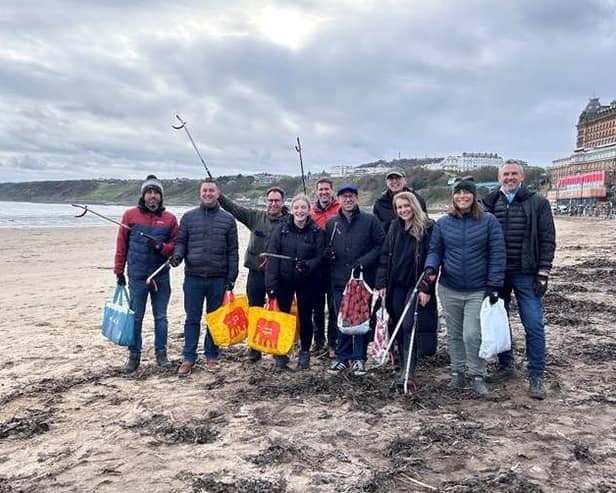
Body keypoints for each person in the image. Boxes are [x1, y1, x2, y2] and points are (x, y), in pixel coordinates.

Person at [481, 160, 556, 399]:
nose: (510, 178)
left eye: (514, 174)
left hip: (527, 272)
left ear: (521, 177)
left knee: (533, 323)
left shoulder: (538, 203)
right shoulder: (490, 203)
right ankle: (506, 364)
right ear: (499, 177)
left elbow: (547, 239)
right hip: (497, 274)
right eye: (506, 174)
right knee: (499, 323)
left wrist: (543, 272)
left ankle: (536, 374)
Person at [424, 177, 505, 396]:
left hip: (478, 289)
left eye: (466, 192)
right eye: (458, 193)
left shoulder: (489, 221)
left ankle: (477, 374)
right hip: (449, 287)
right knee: (454, 333)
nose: (462, 196)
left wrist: (494, 284)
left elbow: (498, 254)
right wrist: (431, 268)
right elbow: (435, 250)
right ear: (453, 196)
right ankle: (457, 372)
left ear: (474, 195)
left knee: (472, 333)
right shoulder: (443, 223)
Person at [169, 178, 239, 377]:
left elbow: (233, 251)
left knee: (214, 319)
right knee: (192, 319)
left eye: (211, 191)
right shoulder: (189, 217)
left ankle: (211, 355)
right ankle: (188, 357)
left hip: (218, 278)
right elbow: (181, 242)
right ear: (200, 193)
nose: (208, 194)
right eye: (205, 190)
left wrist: (231, 277)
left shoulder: (228, 219)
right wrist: (177, 256)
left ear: (218, 194)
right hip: (193, 277)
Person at [113, 175, 179, 373]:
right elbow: (121, 244)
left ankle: (162, 354)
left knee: (161, 317)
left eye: (156, 193)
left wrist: (161, 247)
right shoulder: (130, 216)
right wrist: (118, 270)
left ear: (160, 197)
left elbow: (176, 246)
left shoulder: (170, 219)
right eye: (149, 192)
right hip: (137, 276)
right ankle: (134, 356)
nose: (152, 196)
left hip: (160, 275)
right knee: (136, 318)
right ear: (143, 195)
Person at [218, 186, 288, 362]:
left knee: (279, 312)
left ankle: (279, 351)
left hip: (279, 276)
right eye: (270, 200)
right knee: (254, 310)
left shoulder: (289, 221)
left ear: (282, 202)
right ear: (266, 202)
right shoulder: (255, 217)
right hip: (256, 274)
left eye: (277, 201)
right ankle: (255, 349)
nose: (273, 204)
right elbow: (234, 209)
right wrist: (219, 195)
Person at [375, 192, 437, 388]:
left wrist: (426, 288)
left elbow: (432, 260)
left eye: (406, 206)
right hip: (396, 284)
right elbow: (385, 256)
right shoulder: (394, 226)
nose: (403, 210)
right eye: (399, 207)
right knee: (396, 324)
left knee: (409, 323)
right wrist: (381, 283)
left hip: (416, 284)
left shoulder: (428, 227)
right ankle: (401, 364)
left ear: (414, 205)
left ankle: (409, 370)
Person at [325, 184, 385, 376]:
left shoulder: (370, 220)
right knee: (342, 319)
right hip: (339, 280)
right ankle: (342, 357)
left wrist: (363, 262)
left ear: (356, 198)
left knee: (360, 319)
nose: (348, 200)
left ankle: (359, 358)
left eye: (351, 196)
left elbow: (381, 245)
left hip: (362, 280)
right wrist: (328, 254)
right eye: (344, 197)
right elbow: (326, 248)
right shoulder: (332, 223)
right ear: (338, 200)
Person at [265, 194, 325, 370]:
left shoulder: (316, 231)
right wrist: (271, 285)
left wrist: (308, 265)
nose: (300, 211)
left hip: (306, 281)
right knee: (282, 317)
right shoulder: (281, 229)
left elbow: (320, 256)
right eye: (296, 208)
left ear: (309, 210)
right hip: (284, 281)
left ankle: (304, 353)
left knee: (306, 317)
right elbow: (272, 257)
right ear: (292, 210)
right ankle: (281, 354)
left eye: (303, 208)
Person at [310, 178, 341, 357]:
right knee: (317, 307)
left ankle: (333, 342)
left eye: (326, 189)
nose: (323, 192)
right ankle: (318, 340)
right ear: (316, 192)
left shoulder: (339, 209)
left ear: (332, 190)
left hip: (334, 266)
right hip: (316, 267)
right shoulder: (311, 212)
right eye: (320, 189)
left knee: (334, 306)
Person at [373, 168, 427, 233]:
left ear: (405, 180)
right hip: (389, 241)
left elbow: (425, 222)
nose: (394, 181)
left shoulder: (417, 199)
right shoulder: (380, 203)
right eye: (391, 179)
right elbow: (376, 229)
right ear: (387, 182)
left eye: (398, 178)